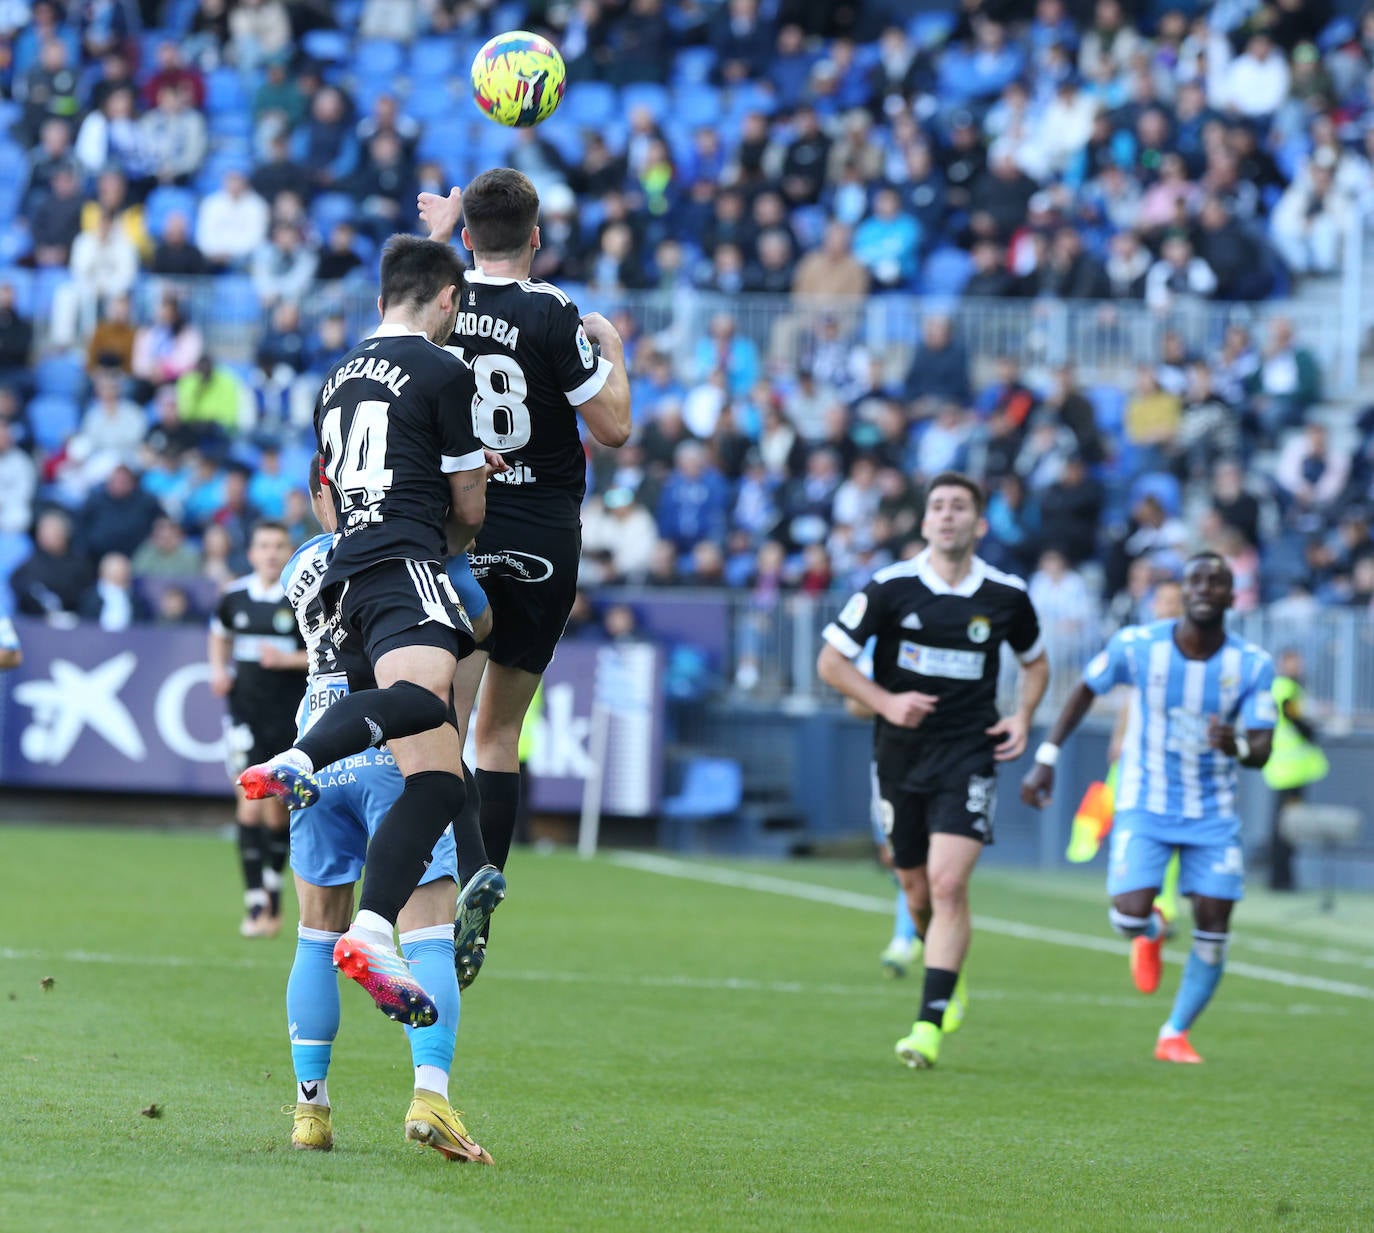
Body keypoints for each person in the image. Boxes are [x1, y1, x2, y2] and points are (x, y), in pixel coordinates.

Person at [237, 235, 500, 1029]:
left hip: (348, 576)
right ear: (448, 299)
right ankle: (298, 755)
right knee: (423, 701)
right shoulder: (443, 370)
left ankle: (374, 928)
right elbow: (469, 510)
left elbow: (335, 489)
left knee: (442, 776)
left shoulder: (337, 378)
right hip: (404, 567)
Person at [418, 169, 631, 985]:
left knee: (446, 716)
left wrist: (440, 241)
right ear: (536, 237)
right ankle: (488, 892)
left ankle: (460, 868)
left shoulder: (441, 305)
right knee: (499, 733)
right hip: (544, 536)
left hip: (464, 525)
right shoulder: (553, 313)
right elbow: (612, 426)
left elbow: (401, 320)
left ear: (468, 235)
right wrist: (613, 351)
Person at [281, 457, 495, 1162]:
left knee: (317, 934)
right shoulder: (426, 562)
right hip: (395, 756)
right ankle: (429, 1095)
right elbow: (482, 624)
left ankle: (311, 1112)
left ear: (322, 494)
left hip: (318, 746)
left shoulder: (302, 565)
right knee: (426, 935)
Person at [817, 471, 1049, 1069]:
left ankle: (927, 1024)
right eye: (938, 506)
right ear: (924, 522)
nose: (947, 515)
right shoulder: (890, 588)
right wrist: (888, 702)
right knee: (916, 889)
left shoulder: (1006, 595)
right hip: (899, 756)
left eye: (959, 507)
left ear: (979, 523)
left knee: (948, 884)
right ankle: (950, 974)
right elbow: (830, 662)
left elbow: (1036, 663)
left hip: (969, 754)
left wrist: (1022, 715)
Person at [1020, 553, 1276, 1064]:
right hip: (1145, 801)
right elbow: (1085, 690)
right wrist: (1046, 756)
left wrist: (1237, 746)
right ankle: (1152, 931)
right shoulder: (1139, 646)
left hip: (1213, 812)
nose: (1205, 589)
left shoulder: (1251, 665)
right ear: (1183, 591)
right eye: (1195, 580)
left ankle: (1175, 1032)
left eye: (1217, 582)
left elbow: (1262, 748)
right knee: (1127, 918)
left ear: (1232, 596)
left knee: (1213, 924)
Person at [1065, 578, 1185, 927]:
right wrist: (1119, 736)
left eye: (1174, 601)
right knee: (1117, 804)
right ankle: (1108, 861)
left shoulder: (1194, 647)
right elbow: (1131, 698)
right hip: (1138, 749)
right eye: (1163, 600)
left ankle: (1162, 901)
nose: (1168, 606)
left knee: (1168, 825)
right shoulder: (1143, 644)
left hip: (1174, 755)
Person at [209, 520, 308, 938]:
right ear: (251, 553)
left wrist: (286, 661)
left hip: (288, 718)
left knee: (277, 813)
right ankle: (254, 905)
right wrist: (218, 668)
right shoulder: (233, 597)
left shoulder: (302, 596)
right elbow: (219, 635)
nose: (270, 552)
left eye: (278, 545)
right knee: (248, 806)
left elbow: (324, 652)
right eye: (263, 545)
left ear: (289, 550)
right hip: (244, 717)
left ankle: (273, 899)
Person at [1262, 648, 1328, 891]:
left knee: (1289, 826)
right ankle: (1280, 878)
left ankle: (1284, 877)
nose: (1297, 667)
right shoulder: (1285, 689)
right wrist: (1313, 731)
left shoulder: (1292, 688)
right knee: (1286, 826)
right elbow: (1297, 721)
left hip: (1292, 770)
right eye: (1292, 663)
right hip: (1287, 771)